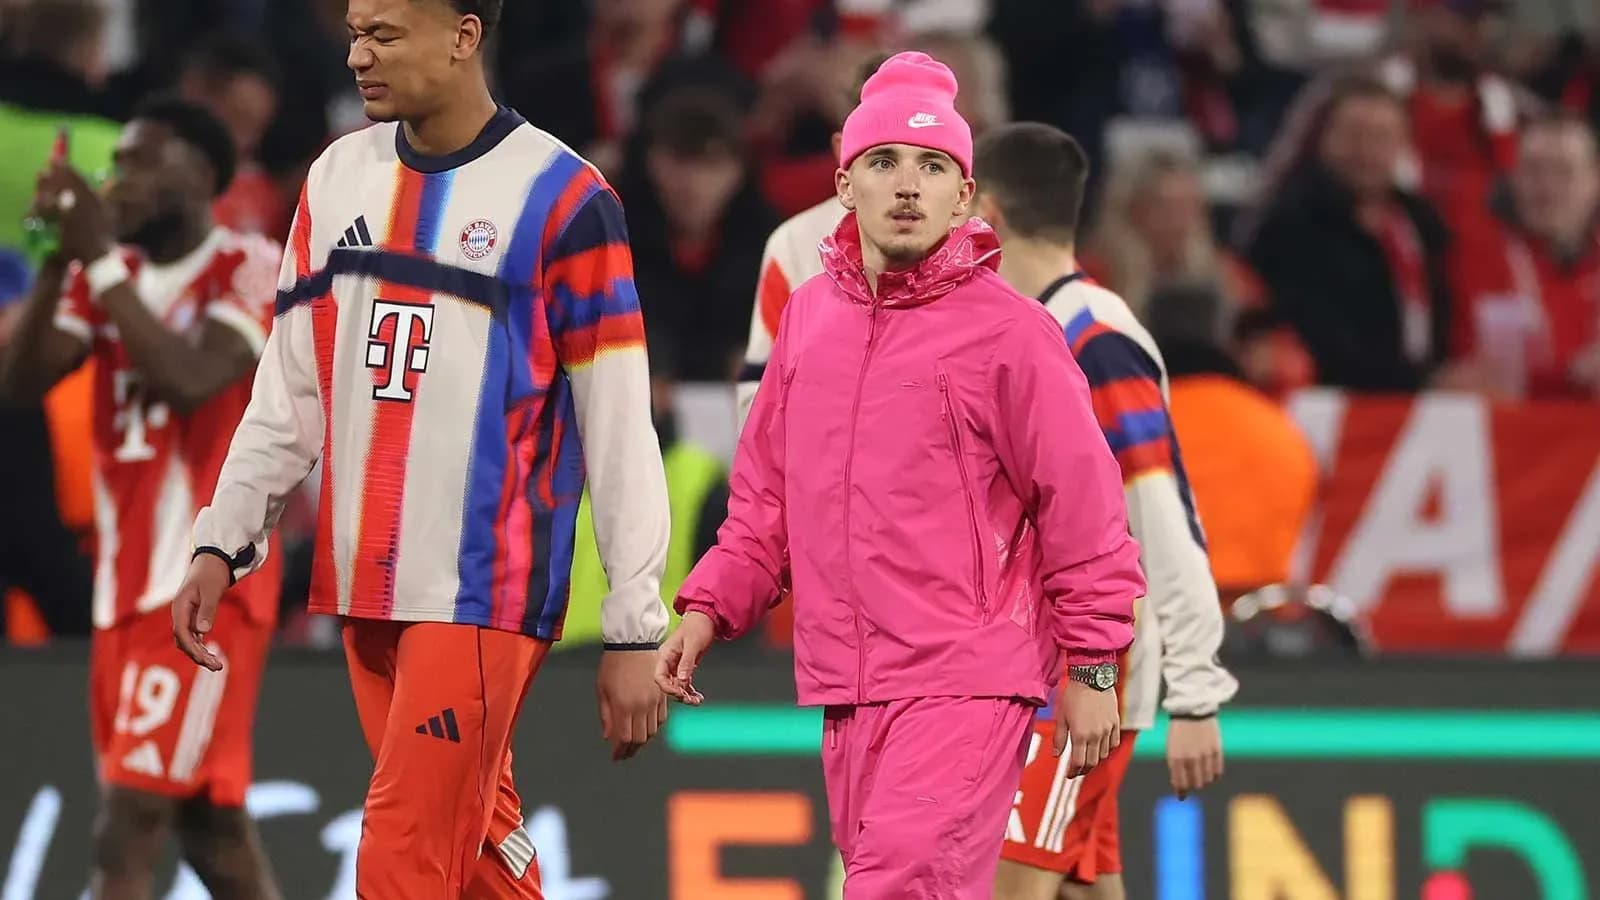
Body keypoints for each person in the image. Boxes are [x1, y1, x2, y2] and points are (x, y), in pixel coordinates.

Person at [170, 1, 672, 896]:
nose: (359, 54)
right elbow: (290, 388)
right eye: (357, 32)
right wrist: (223, 536)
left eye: (386, 35)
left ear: (465, 35)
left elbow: (619, 425)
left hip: (482, 589)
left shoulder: (565, 199)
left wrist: (636, 623)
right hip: (366, 583)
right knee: (475, 857)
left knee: (401, 860)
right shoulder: (335, 180)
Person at [656, 52, 1147, 898]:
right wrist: (706, 610)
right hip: (850, 686)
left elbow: (1087, 509)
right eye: (884, 162)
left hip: (968, 679)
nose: (908, 185)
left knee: (896, 889)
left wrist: (1095, 667)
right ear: (845, 183)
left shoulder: (1014, 333)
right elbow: (767, 498)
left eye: (933, 166)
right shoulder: (807, 319)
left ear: (966, 196)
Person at [0, 96, 283, 899]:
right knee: (210, 833)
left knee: (126, 827)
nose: (116, 180)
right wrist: (61, 253)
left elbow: (191, 379)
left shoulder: (251, 264)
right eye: (112, 164)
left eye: (137, 162)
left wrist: (100, 258)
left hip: (204, 590)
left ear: (200, 174)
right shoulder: (107, 277)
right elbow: (20, 384)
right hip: (124, 593)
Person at [972, 123, 1238, 900]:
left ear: (984, 209)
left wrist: (1196, 692)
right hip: (1045, 671)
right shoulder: (1036, 330)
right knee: (1083, 888)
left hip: (1079, 681)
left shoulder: (1092, 338)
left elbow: (1160, 514)